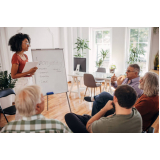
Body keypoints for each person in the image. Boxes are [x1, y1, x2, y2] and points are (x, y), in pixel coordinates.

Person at [65, 85, 142, 133]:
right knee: (86, 117)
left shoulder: (107, 124)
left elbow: (88, 126)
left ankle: (87, 117)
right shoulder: (137, 115)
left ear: (114, 99)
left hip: (98, 128)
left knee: (69, 116)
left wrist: (104, 109)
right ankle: (86, 117)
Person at [1, 85, 72, 133]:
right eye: (42, 97)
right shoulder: (57, 126)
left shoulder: (8, 128)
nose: (44, 99)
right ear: (37, 107)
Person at [8, 33, 38, 120]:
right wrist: (28, 72)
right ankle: (20, 128)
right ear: (18, 43)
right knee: (22, 108)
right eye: (26, 42)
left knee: (30, 106)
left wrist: (30, 72)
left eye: (28, 42)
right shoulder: (15, 57)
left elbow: (24, 71)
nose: (28, 45)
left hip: (29, 82)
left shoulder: (25, 56)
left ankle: (29, 126)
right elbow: (13, 75)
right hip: (22, 84)